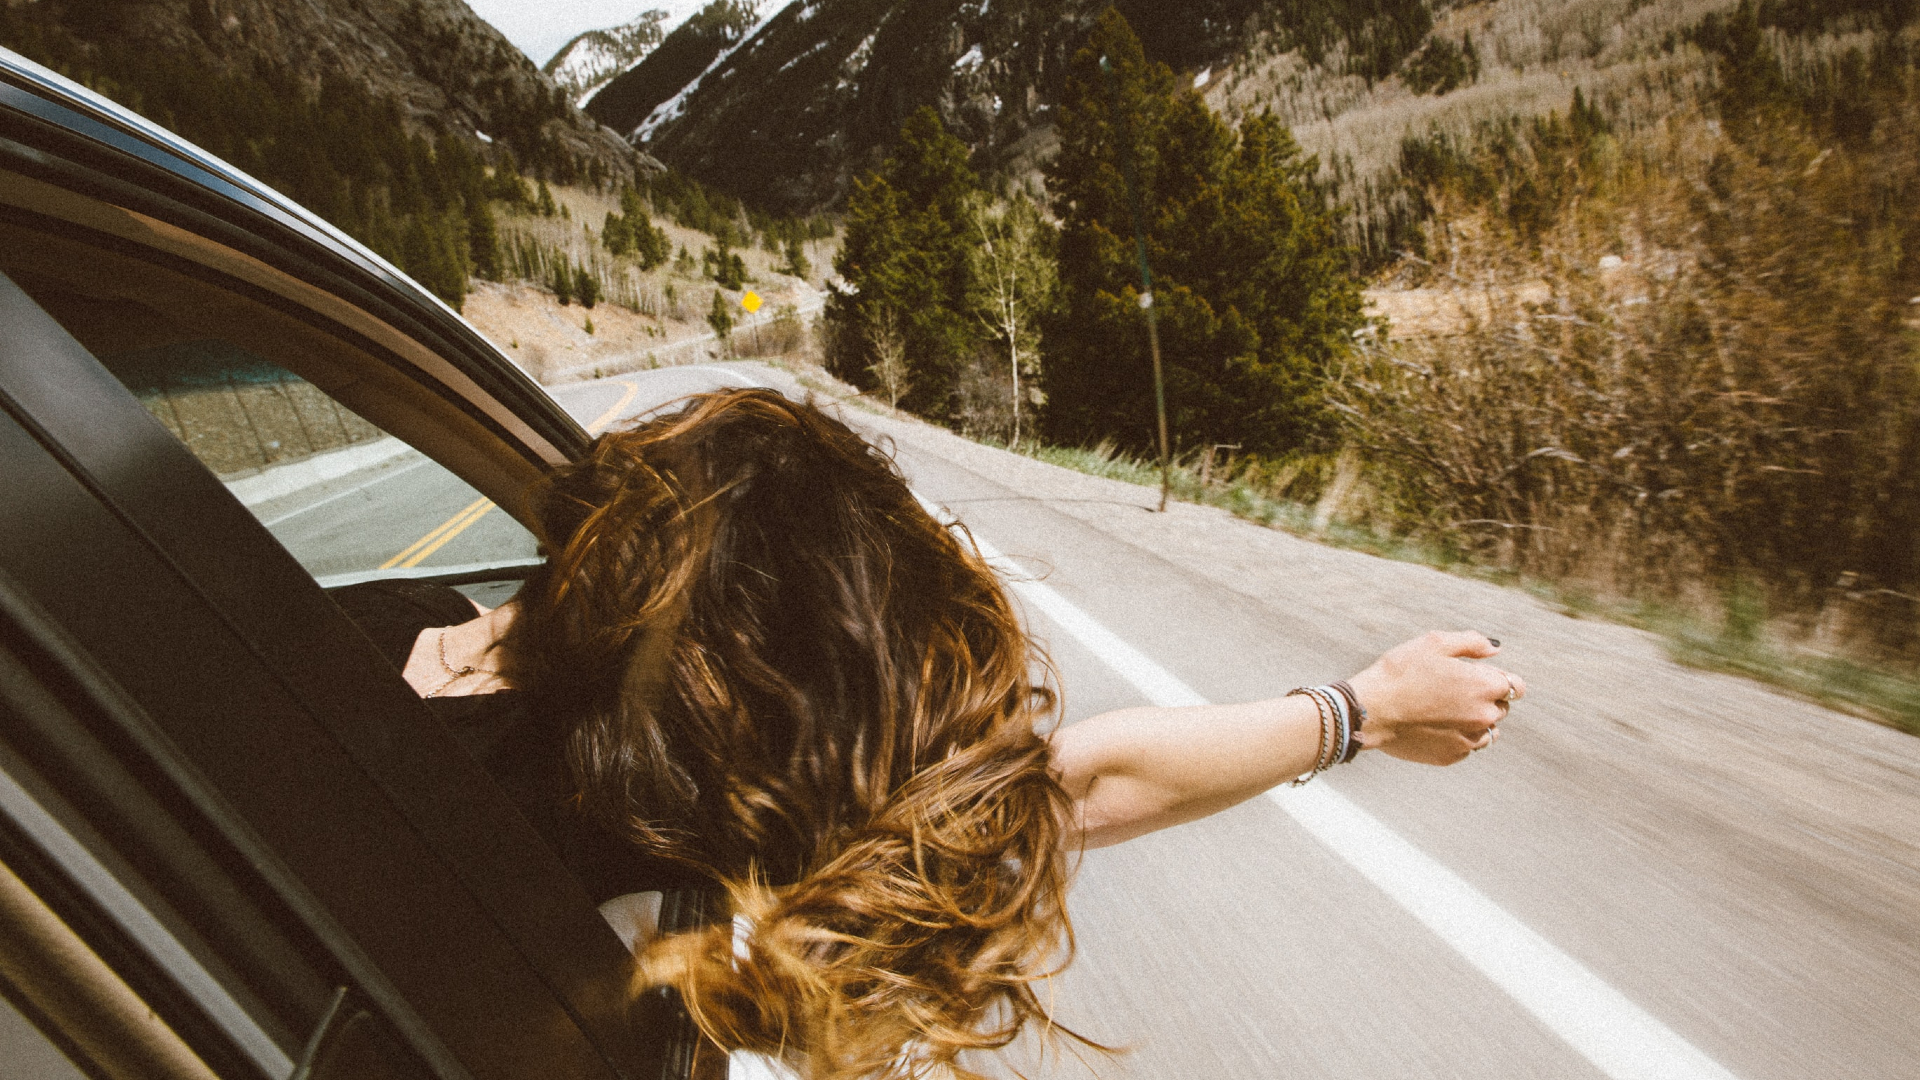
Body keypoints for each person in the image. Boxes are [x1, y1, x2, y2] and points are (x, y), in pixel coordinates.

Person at [336, 388, 1523, 1080]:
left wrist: (1361, 712)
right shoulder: (648, 820)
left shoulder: (332, 631)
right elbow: (1079, 780)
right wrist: (1358, 712)